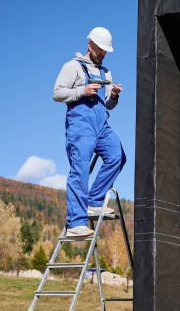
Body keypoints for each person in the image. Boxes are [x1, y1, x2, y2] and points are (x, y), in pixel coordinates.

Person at [53, 27, 126, 237]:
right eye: (100, 49)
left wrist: (114, 96)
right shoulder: (72, 67)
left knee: (117, 156)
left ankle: (94, 202)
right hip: (81, 125)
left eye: (105, 51)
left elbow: (108, 105)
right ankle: (76, 223)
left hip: (101, 124)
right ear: (90, 45)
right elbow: (57, 93)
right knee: (80, 169)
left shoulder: (106, 72)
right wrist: (82, 91)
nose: (103, 53)